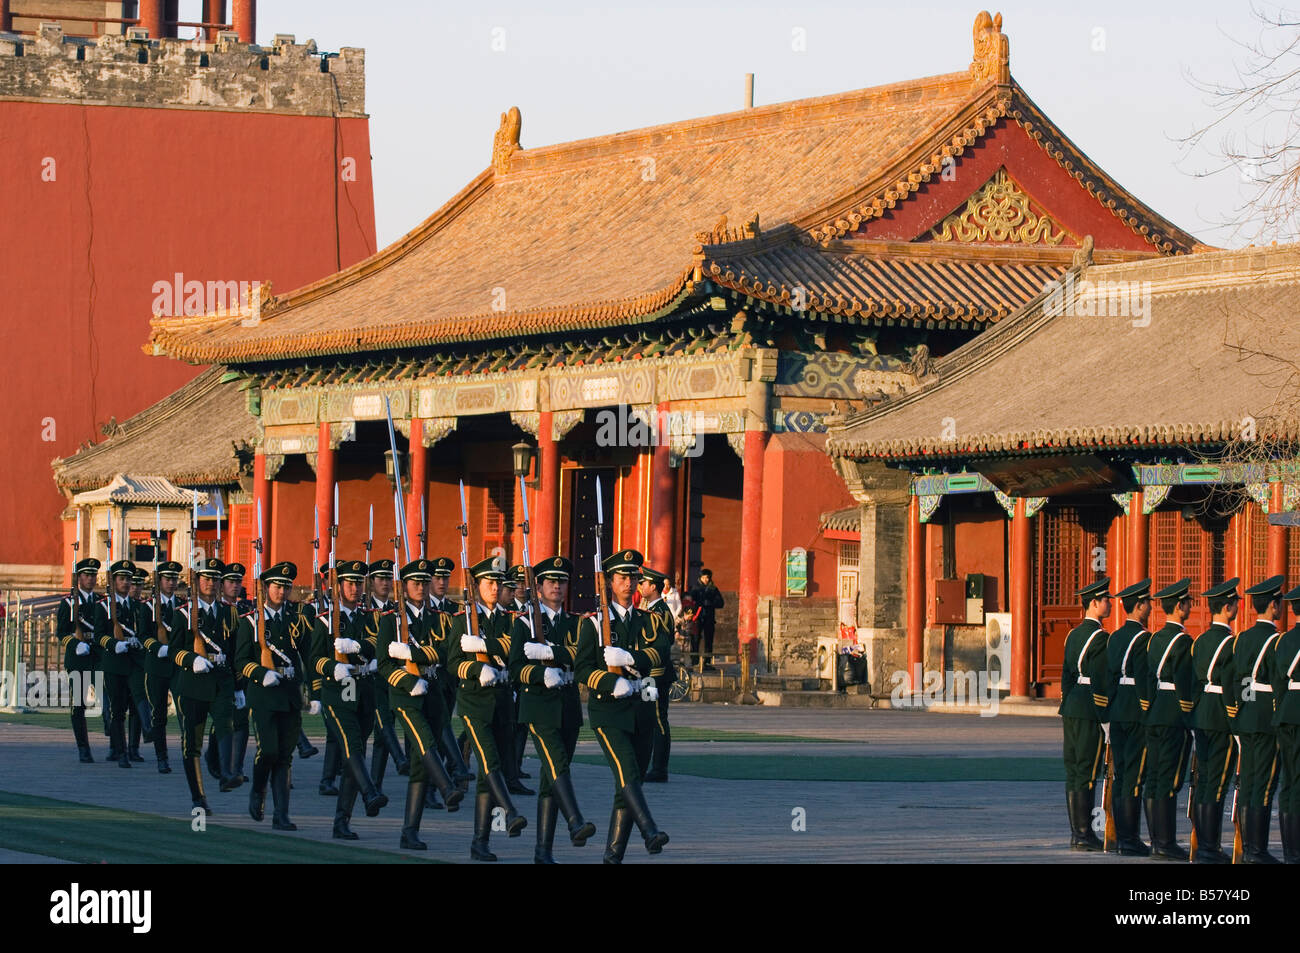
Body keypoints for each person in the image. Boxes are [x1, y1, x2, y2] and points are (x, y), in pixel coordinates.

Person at [575, 548, 671, 863]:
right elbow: (583, 669)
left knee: (629, 783)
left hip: (640, 711)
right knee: (627, 771)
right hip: (608, 712)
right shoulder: (594, 623)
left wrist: (631, 659)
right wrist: (608, 681)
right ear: (609, 582)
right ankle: (650, 831)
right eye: (622, 577)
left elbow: (660, 652)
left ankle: (613, 855)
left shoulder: (649, 620)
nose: (629, 583)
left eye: (633, 577)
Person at [508, 555, 598, 862]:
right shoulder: (524, 623)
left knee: (551, 780)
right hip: (538, 706)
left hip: (568, 706)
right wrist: (539, 672)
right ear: (539, 586)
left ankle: (542, 852)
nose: (557, 586)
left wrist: (551, 652)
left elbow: (582, 656)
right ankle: (575, 821)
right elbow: (516, 666)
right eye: (551, 581)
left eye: (561, 581)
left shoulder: (578, 623)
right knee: (557, 764)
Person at [378, 558, 467, 850]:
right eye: (415, 582)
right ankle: (446, 787)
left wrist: (415, 655)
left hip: (433, 690)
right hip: (404, 694)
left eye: (424, 582)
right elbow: (384, 664)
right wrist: (407, 680)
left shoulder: (442, 618)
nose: (420, 586)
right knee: (423, 738)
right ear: (404, 586)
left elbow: (445, 651)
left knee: (419, 766)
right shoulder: (391, 620)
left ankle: (409, 832)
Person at [446, 554, 527, 861]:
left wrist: (486, 648)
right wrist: (476, 669)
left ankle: (481, 841)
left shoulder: (510, 620)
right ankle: (510, 811)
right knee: (489, 761)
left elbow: (516, 652)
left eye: (497, 583)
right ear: (476, 585)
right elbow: (453, 663)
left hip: (503, 702)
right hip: (474, 703)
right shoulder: (462, 620)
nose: (494, 588)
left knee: (489, 776)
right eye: (488, 583)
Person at [309, 558, 389, 839]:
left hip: (363, 689)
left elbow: (379, 641)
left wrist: (359, 646)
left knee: (354, 754)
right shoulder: (325, 620)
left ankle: (342, 821)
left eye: (358, 583)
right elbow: (314, 659)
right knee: (351, 744)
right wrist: (333, 667)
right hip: (339, 690)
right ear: (338, 585)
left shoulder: (370, 617)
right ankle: (370, 792)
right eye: (349, 583)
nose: (354, 588)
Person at [234, 560, 306, 831]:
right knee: (269, 751)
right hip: (263, 694)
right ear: (265, 588)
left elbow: (307, 653)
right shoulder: (251, 621)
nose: (281, 591)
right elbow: (240, 660)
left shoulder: (297, 619)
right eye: (277, 586)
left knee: (285, 756)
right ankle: (258, 790)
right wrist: (260, 673)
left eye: (286, 586)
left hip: (289, 694)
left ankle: (281, 814)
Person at [171, 557, 237, 813]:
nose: (210, 583)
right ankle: (198, 797)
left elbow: (232, 650)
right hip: (193, 683)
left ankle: (227, 772)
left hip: (221, 679)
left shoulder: (229, 613)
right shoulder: (183, 614)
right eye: (206, 578)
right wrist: (191, 660)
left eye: (215, 579)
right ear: (197, 581)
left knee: (226, 724)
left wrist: (239, 686)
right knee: (192, 743)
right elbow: (174, 650)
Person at [1230, 575, 1285, 863]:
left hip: (1246, 715)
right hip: (1265, 719)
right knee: (1263, 784)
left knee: (1249, 783)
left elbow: (1239, 680)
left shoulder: (1241, 638)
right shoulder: (1275, 641)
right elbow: (1278, 681)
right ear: (1274, 606)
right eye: (1279, 603)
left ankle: (1249, 846)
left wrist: (1244, 708)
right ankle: (1256, 850)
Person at [1144, 577, 1198, 861]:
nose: (1190, 605)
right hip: (1173, 714)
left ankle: (1156, 841)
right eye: (1188, 602)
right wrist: (1190, 716)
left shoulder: (1154, 638)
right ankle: (1165, 843)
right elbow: (1184, 683)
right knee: (1167, 779)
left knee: (1153, 777)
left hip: (1155, 712)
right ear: (1179, 606)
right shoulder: (1183, 642)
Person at [1058, 577, 1111, 852]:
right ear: (1094, 604)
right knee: (1089, 772)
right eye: (1105, 600)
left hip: (1072, 707)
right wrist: (1105, 718)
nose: (1109, 604)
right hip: (1091, 708)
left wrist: (1068, 702)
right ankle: (1084, 834)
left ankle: (1076, 833)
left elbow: (1066, 675)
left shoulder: (1073, 634)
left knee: (1074, 770)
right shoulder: (1100, 638)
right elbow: (1101, 680)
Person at [1189, 578, 1239, 864]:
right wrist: (1234, 715)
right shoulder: (1229, 644)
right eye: (1234, 603)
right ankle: (1210, 847)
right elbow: (1230, 685)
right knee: (1217, 783)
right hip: (1221, 716)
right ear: (1228, 606)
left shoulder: (1200, 641)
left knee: (1204, 779)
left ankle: (1204, 844)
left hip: (1202, 713)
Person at [1104, 578, 1152, 855]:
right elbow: (1144, 680)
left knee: (1121, 774)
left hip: (1118, 709)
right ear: (1140, 606)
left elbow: (1109, 676)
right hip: (1136, 711)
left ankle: (1122, 836)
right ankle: (1130, 838)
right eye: (1146, 603)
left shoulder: (1115, 636)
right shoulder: (1142, 638)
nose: (1148, 607)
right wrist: (1148, 708)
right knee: (1134, 776)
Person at [362, 558, 409, 794]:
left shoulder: (397, 609)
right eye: (381, 578)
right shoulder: (362, 609)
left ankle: (375, 785)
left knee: (382, 734)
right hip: (368, 676)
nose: (386, 583)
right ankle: (399, 760)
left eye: (388, 578)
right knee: (382, 724)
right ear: (371, 582)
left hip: (391, 675)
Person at [427, 556, 473, 788]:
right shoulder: (421, 608)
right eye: (438, 577)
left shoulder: (456, 610)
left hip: (449, 677)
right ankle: (452, 769)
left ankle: (445, 773)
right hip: (427, 677)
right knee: (438, 725)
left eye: (446, 577)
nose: (442, 582)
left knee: (441, 725)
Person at [95, 559, 144, 769]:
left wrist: (137, 640)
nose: (125, 583)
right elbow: (99, 635)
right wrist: (114, 644)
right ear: (113, 581)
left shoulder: (138, 606)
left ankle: (133, 748)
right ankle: (120, 751)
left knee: (136, 705)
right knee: (117, 709)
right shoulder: (104, 606)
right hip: (114, 663)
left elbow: (144, 631)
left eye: (128, 579)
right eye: (121, 579)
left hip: (134, 662)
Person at [139, 560, 185, 775]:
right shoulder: (147, 607)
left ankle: (188, 753)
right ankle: (161, 757)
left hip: (177, 666)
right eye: (168, 579)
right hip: (157, 665)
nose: (172, 582)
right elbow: (143, 635)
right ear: (159, 581)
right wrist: (157, 648)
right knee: (159, 714)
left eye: (175, 579)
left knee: (185, 711)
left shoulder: (184, 605)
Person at [56, 557, 102, 763]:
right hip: (78, 658)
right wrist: (75, 644)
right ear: (79, 578)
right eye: (87, 575)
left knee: (110, 700)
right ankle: (83, 747)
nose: (91, 579)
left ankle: (116, 745)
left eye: (93, 575)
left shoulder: (101, 601)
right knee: (79, 704)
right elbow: (61, 632)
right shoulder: (68, 603)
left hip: (98, 656)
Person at [638, 567, 675, 783]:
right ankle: (650, 764)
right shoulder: (649, 609)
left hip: (656, 674)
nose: (641, 586)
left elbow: (662, 643)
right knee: (648, 717)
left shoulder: (659, 612)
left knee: (658, 719)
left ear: (653, 587)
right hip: (648, 674)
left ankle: (660, 768)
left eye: (644, 583)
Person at [1273, 583, 1300, 864]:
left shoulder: (1282, 641)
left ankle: (1291, 850)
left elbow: (1279, 682)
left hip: (1287, 712)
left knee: (1289, 781)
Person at [219, 562, 251, 786]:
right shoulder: (216, 610)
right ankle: (221, 764)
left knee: (241, 721)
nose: (235, 585)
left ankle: (235, 768)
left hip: (243, 673)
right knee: (222, 722)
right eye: (231, 581)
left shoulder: (245, 610)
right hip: (221, 673)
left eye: (238, 581)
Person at [687, 568, 724, 670]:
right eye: (703, 577)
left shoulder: (713, 589)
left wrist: (711, 603)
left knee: (708, 640)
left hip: (709, 617)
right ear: (700, 578)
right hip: (697, 618)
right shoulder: (695, 589)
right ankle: (694, 661)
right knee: (695, 639)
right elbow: (689, 602)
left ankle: (707, 662)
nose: (705, 580)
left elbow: (721, 603)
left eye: (707, 578)